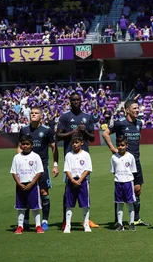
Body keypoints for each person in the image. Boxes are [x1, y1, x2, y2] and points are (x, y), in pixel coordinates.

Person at [102, 100, 151, 227]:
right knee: (121, 191)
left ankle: (136, 219)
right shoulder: (120, 123)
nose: (137, 110)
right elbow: (105, 134)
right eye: (134, 108)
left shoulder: (139, 123)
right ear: (127, 110)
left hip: (136, 161)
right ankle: (118, 221)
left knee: (138, 190)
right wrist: (113, 149)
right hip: (123, 164)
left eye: (138, 108)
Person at [57, 93, 98, 228]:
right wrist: (73, 131)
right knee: (67, 189)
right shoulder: (65, 117)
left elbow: (92, 138)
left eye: (78, 100)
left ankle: (87, 220)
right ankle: (65, 220)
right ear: (70, 102)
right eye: (73, 100)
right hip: (70, 157)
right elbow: (58, 135)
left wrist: (84, 131)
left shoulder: (87, 117)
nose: (75, 102)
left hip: (83, 158)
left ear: (81, 101)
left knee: (85, 187)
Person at [19, 106, 59, 231]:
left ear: (41, 116)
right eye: (32, 113)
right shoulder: (24, 130)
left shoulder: (47, 130)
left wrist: (55, 165)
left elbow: (54, 147)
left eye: (36, 113)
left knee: (43, 193)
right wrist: (19, 162)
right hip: (26, 168)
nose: (33, 115)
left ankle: (45, 221)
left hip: (42, 166)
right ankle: (25, 220)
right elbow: (19, 147)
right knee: (25, 192)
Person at [11, 135, 44, 234]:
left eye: (27, 144)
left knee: (35, 207)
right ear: (20, 145)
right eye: (23, 144)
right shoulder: (17, 157)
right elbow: (14, 172)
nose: (25, 146)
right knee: (20, 207)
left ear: (31, 145)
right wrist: (19, 183)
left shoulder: (35, 156)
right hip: (20, 185)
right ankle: (20, 226)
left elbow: (39, 172)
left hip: (33, 185)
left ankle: (38, 226)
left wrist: (32, 183)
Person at [63, 133, 93, 233]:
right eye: (73, 143)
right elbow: (67, 169)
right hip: (71, 181)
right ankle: (68, 225)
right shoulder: (68, 155)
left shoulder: (85, 155)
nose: (75, 145)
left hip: (82, 181)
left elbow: (88, 169)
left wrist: (79, 180)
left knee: (85, 204)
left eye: (77, 142)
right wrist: (72, 180)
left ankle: (86, 224)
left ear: (82, 143)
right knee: (69, 204)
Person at [110, 136, 137, 232]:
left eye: (122, 145)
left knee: (130, 203)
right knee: (119, 204)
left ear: (126, 146)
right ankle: (120, 224)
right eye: (119, 145)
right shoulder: (114, 157)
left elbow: (133, 170)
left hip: (128, 182)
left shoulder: (130, 157)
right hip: (118, 182)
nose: (121, 147)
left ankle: (131, 223)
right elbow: (113, 170)